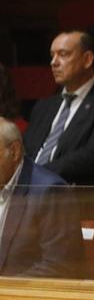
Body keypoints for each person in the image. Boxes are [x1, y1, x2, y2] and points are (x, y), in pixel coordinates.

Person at [23, 31, 94, 185]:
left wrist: (39, 174)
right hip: (28, 191)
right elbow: (27, 150)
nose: (54, 62)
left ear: (87, 59)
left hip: (76, 194)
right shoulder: (43, 106)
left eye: (63, 54)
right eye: (52, 55)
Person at [0, 117, 83, 278]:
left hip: (24, 297)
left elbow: (58, 266)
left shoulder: (50, 191)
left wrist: (6, 290)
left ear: (15, 151)